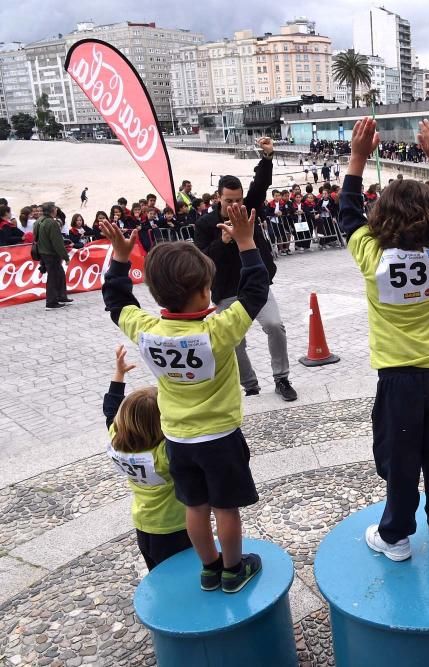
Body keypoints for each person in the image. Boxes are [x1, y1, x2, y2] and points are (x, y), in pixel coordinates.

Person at [98, 200, 268, 594]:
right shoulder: (219, 330)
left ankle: (208, 568)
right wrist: (246, 241)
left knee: (195, 506)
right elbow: (255, 290)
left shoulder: (147, 330)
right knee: (226, 507)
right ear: (205, 290)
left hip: (176, 439)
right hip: (220, 438)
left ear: (157, 293)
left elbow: (117, 301)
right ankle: (232, 569)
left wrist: (121, 259)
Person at [339, 117, 429, 562]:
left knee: (401, 462)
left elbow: (348, 214)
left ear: (383, 219)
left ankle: (395, 535)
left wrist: (357, 156)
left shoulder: (373, 259)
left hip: (397, 382)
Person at [194, 137, 298, 402]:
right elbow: (202, 260)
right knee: (233, 342)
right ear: (218, 198)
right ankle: (250, 385)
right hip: (226, 289)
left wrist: (267, 157)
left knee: (275, 326)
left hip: (256, 283)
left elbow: (261, 185)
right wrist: (223, 241)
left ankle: (282, 378)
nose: (235, 206)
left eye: (238, 199)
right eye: (229, 200)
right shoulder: (205, 224)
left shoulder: (247, 209)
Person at [104, 344, 191, 571]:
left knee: (158, 575)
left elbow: (110, 410)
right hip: (175, 528)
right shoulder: (164, 456)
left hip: (143, 525)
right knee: (181, 577)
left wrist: (119, 374)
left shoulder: (116, 440)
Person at [34, 202, 72, 311]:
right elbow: (57, 243)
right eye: (55, 208)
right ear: (52, 210)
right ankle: (51, 302)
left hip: (43, 253)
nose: (56, 210)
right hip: (51, 254)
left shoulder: (38, 221)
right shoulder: (51, 223)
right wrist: (65, 257)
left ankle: (61, 296)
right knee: (53, 277)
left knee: (59, 274)